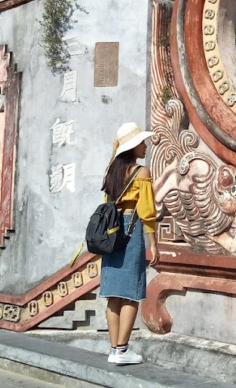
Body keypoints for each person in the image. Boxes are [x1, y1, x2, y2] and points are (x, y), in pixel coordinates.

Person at [99, 122, 159, 365]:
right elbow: (147, 210)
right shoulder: (141, 172)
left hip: (111, 233)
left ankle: (114, 349)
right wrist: (153, 243)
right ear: (133, 146)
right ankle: (122, 350)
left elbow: (107, 202)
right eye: (142, 143)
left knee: (113, 295)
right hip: (131, 229)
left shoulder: (111, 171)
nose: (145, 147)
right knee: (132, 294)